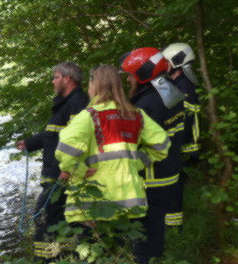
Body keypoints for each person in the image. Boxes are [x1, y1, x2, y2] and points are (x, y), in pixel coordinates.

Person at [55, 65, 168, 229]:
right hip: (129, 202)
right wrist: (135, 162)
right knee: (125, 250)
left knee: (95, 250)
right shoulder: (136, 114)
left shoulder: (89, 115)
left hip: (93, 203)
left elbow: (65, 149)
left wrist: (77, 169)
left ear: (95, 85)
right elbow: (162, 144)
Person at [121, 48, 185, 264]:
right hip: (170, 172)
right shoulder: (171, 93)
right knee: (156, 225)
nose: (127, 80)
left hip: (152, 177)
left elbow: (149, 146)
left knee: (147, 230)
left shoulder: (146, 104)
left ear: (143, 74)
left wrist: (131, 165)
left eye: (129, 76)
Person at [16, 62, 89, 262]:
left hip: (61, 174)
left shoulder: (78, 102)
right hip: (55, 172)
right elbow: (52, 135)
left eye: (55, 77)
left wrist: (67, 170)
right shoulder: (63, 103)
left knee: (44, 218)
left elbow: (79, 139)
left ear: (67, 78)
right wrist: (29, 143)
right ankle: (64, 260)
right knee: (59, 219)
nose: (52, 81)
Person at [162, 43, 201, 230]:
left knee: (174, 185)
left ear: (176, 62)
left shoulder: (184, 87)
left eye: (166, 61)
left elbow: (184, 122)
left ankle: (173, 227)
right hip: (178, 145)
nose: (164, 65)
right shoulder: (179, 84)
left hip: (180, 146)